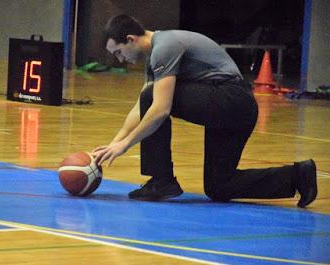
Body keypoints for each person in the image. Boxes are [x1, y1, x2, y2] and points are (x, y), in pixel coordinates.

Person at [92, 14, 317, 208]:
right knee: (219, 186)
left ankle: (161, 180)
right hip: (232, 109)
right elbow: (139, 108)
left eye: (118, 52)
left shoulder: (165, 46)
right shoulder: (156, 56)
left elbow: (160, 109)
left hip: (232, 99)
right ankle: (298, 176)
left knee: (153, 99)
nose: (119, 59)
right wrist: (114, 143)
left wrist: (126, 145)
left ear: (131, 39)